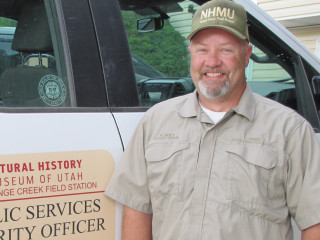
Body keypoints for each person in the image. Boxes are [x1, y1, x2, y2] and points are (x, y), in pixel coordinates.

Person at [105, 0, 320, 239]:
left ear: (246, 55)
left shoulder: (289, 130)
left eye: (226, 49)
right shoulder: (155, 122)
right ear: (191, 53)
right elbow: (137, 211)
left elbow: (315, 222)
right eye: (202, 49)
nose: (212, 61)